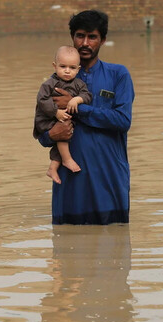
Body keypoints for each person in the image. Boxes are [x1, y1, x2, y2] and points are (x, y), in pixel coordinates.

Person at [36, 10, 135, 225]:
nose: (85, 43)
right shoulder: (58, 79)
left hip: (109, 175)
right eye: (80, 35)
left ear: (103, 40)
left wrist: (78, 109)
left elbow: (122, 121)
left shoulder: (118, 75)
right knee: (67, 245)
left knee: (114, 243)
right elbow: (42, 131)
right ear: (72, 37)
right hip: (71, 179)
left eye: (92, 37)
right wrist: (52, 134)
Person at [33, 46, 93, 185]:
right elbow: (42, 100)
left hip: (63, 119)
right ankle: (67, 160)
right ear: (55, 66)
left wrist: (76, 99)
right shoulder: (48, 84)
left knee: (65, 133)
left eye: (72, 68)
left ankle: (53, 167)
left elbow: (87, 95)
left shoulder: (78, 84)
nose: (67, 71)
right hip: (47, 119)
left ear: (78, 69)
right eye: (63, 66)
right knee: (63, 131)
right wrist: (55, 112)